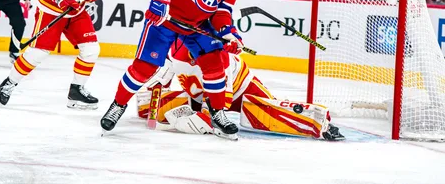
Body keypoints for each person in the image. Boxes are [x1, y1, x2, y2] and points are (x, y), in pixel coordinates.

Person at [100, 0, 261, 140]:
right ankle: (118, 105)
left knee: (214, 62)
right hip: (167, 18)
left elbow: (222, 9)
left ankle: (217, 113)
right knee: (144, 68)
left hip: (198, 25)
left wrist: (227, 32)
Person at [136, 40, 344, 140]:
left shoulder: (221, 60)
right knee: (146, 104)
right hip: (197, 92)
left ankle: (317, 123)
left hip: (241, 87)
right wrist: (156, 88)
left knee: (264, 111)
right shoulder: (176, 51)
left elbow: (219, 107)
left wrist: (206, 118)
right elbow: (162, 76)